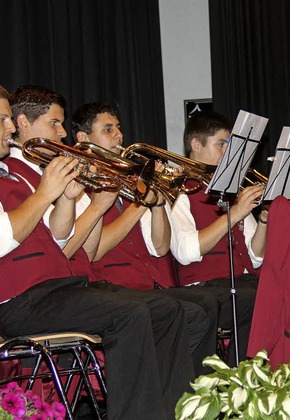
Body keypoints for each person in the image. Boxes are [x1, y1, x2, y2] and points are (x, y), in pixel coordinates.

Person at [0, 79, 188, 418]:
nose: (11, 127)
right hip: (20, 303)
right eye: (2, 120)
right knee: (129, 314)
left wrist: (67, 198)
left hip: (54, 291)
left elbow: (58, 238)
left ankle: (175, 412)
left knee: (168, 310)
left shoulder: (11, 177)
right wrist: (45, 194)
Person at [71, 102, 217, 374]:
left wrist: (159, 201)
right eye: (108, 129)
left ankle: (193, 397)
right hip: (109, 288)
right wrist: (140, 205)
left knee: (206, 305)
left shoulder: (130, 179)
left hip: (148, 287)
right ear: (83, 139)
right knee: (185, 314)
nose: (119, 136)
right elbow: (97, 248)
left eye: (118, 128)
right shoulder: (77, 187)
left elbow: (160, 248)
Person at [168, 110, 267, 364]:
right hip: (203, 289)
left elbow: (255, 257)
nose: (227, 152)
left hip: (240, 284)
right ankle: (244, 378)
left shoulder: (230, 187)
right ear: (196, 144)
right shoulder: (179, 190)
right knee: (260, 298)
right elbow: (187, 252)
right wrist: (234, 214)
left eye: (229, 145)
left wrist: (264, 219)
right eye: (221, 144)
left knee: (282, 288)